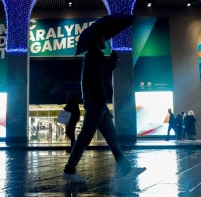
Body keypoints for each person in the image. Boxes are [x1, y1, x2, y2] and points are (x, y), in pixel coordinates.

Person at [62, 34, 145, 184]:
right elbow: (96, 80)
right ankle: (69, 170)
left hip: (98, 102)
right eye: (102, 38)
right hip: (96, 101)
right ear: (96, 40)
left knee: (112, 137)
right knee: (85, 136)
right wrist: (99, 98)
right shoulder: (94, 56)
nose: (105, 40)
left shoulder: (95, 56)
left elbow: (101, 76)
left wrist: (111, 64)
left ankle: (126, 169)